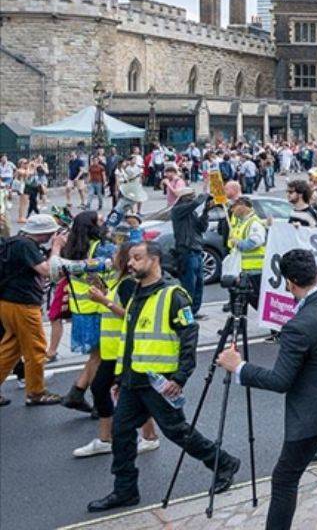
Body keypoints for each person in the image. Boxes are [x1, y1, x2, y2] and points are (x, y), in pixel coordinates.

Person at [215, 248, 317, 530]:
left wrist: (238, 367)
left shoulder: (297, 327)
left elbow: (280, 381)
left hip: (314, 415)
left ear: (289, 283)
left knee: (285, 479)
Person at [87, 241, 240, 512]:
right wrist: (121, 379)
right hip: (133, 381)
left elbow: (189, 339)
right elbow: (130, 340)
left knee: (177, 432)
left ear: (154, 260)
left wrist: (179, 378)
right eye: (130, 259)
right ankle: (124, 491)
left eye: (137, 258)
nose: (131, 263)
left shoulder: (174, 295)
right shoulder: (135, 293)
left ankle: (223, 462)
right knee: (121, 433)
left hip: (159, 383)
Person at [74, 241, 161, 457]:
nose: (111, 257)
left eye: (115, 254)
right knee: (120, 392)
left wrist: (104, 300)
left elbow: (133, 316)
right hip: (113, 351)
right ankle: (118, 438)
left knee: (108, 389)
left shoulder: (128, 284)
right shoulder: (119, 281)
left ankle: (134, 438)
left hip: (124, 352)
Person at [54, 211, 116, 414]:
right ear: (91, 226)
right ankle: (99, 401)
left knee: (96, 356)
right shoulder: (99, 247)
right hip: (98, 308)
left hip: (81, 308)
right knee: (102, 357)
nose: (103, 223)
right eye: (99, 221)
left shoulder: (71, 249)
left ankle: (77, 392)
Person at [0, 213, 63, 406]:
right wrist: (57, 249)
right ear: (44, 233)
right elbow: (47, 270)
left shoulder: (14, 242)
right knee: (36, 348)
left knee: (11, 348)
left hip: (9, 301)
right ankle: (36, 392)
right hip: (23, 303)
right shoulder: (26, 246)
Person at [171, 186, 211, 314]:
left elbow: (201, 227)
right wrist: (204, 195)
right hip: (186, 252)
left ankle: (194, 311)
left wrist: (206, 211)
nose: (192, 198)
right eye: (190, 196)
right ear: (184, 198)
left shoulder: (191, 213)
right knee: (189, 285)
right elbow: (195, 203)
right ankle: (186, 313)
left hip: (197, 251)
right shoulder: (178, 210)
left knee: (199, 284)